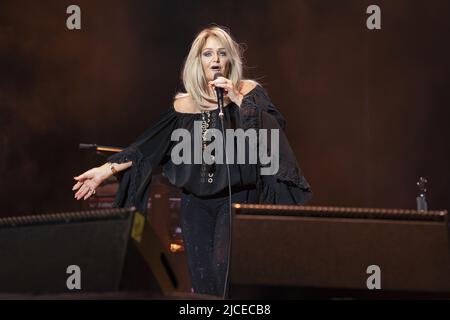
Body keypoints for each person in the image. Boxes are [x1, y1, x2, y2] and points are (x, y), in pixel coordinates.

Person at [72, 26, 312, 297]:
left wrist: (236, 98)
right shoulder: (184, 106)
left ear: (231, 59)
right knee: (202, 279)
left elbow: (272, 132)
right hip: (196, 203)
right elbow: (146, 148)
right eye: (208, 53)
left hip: (238, 199)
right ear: (198, 61)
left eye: (222, 53)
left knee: (226, 270)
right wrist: (104, 170)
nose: (216, 60)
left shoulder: (249, 92)